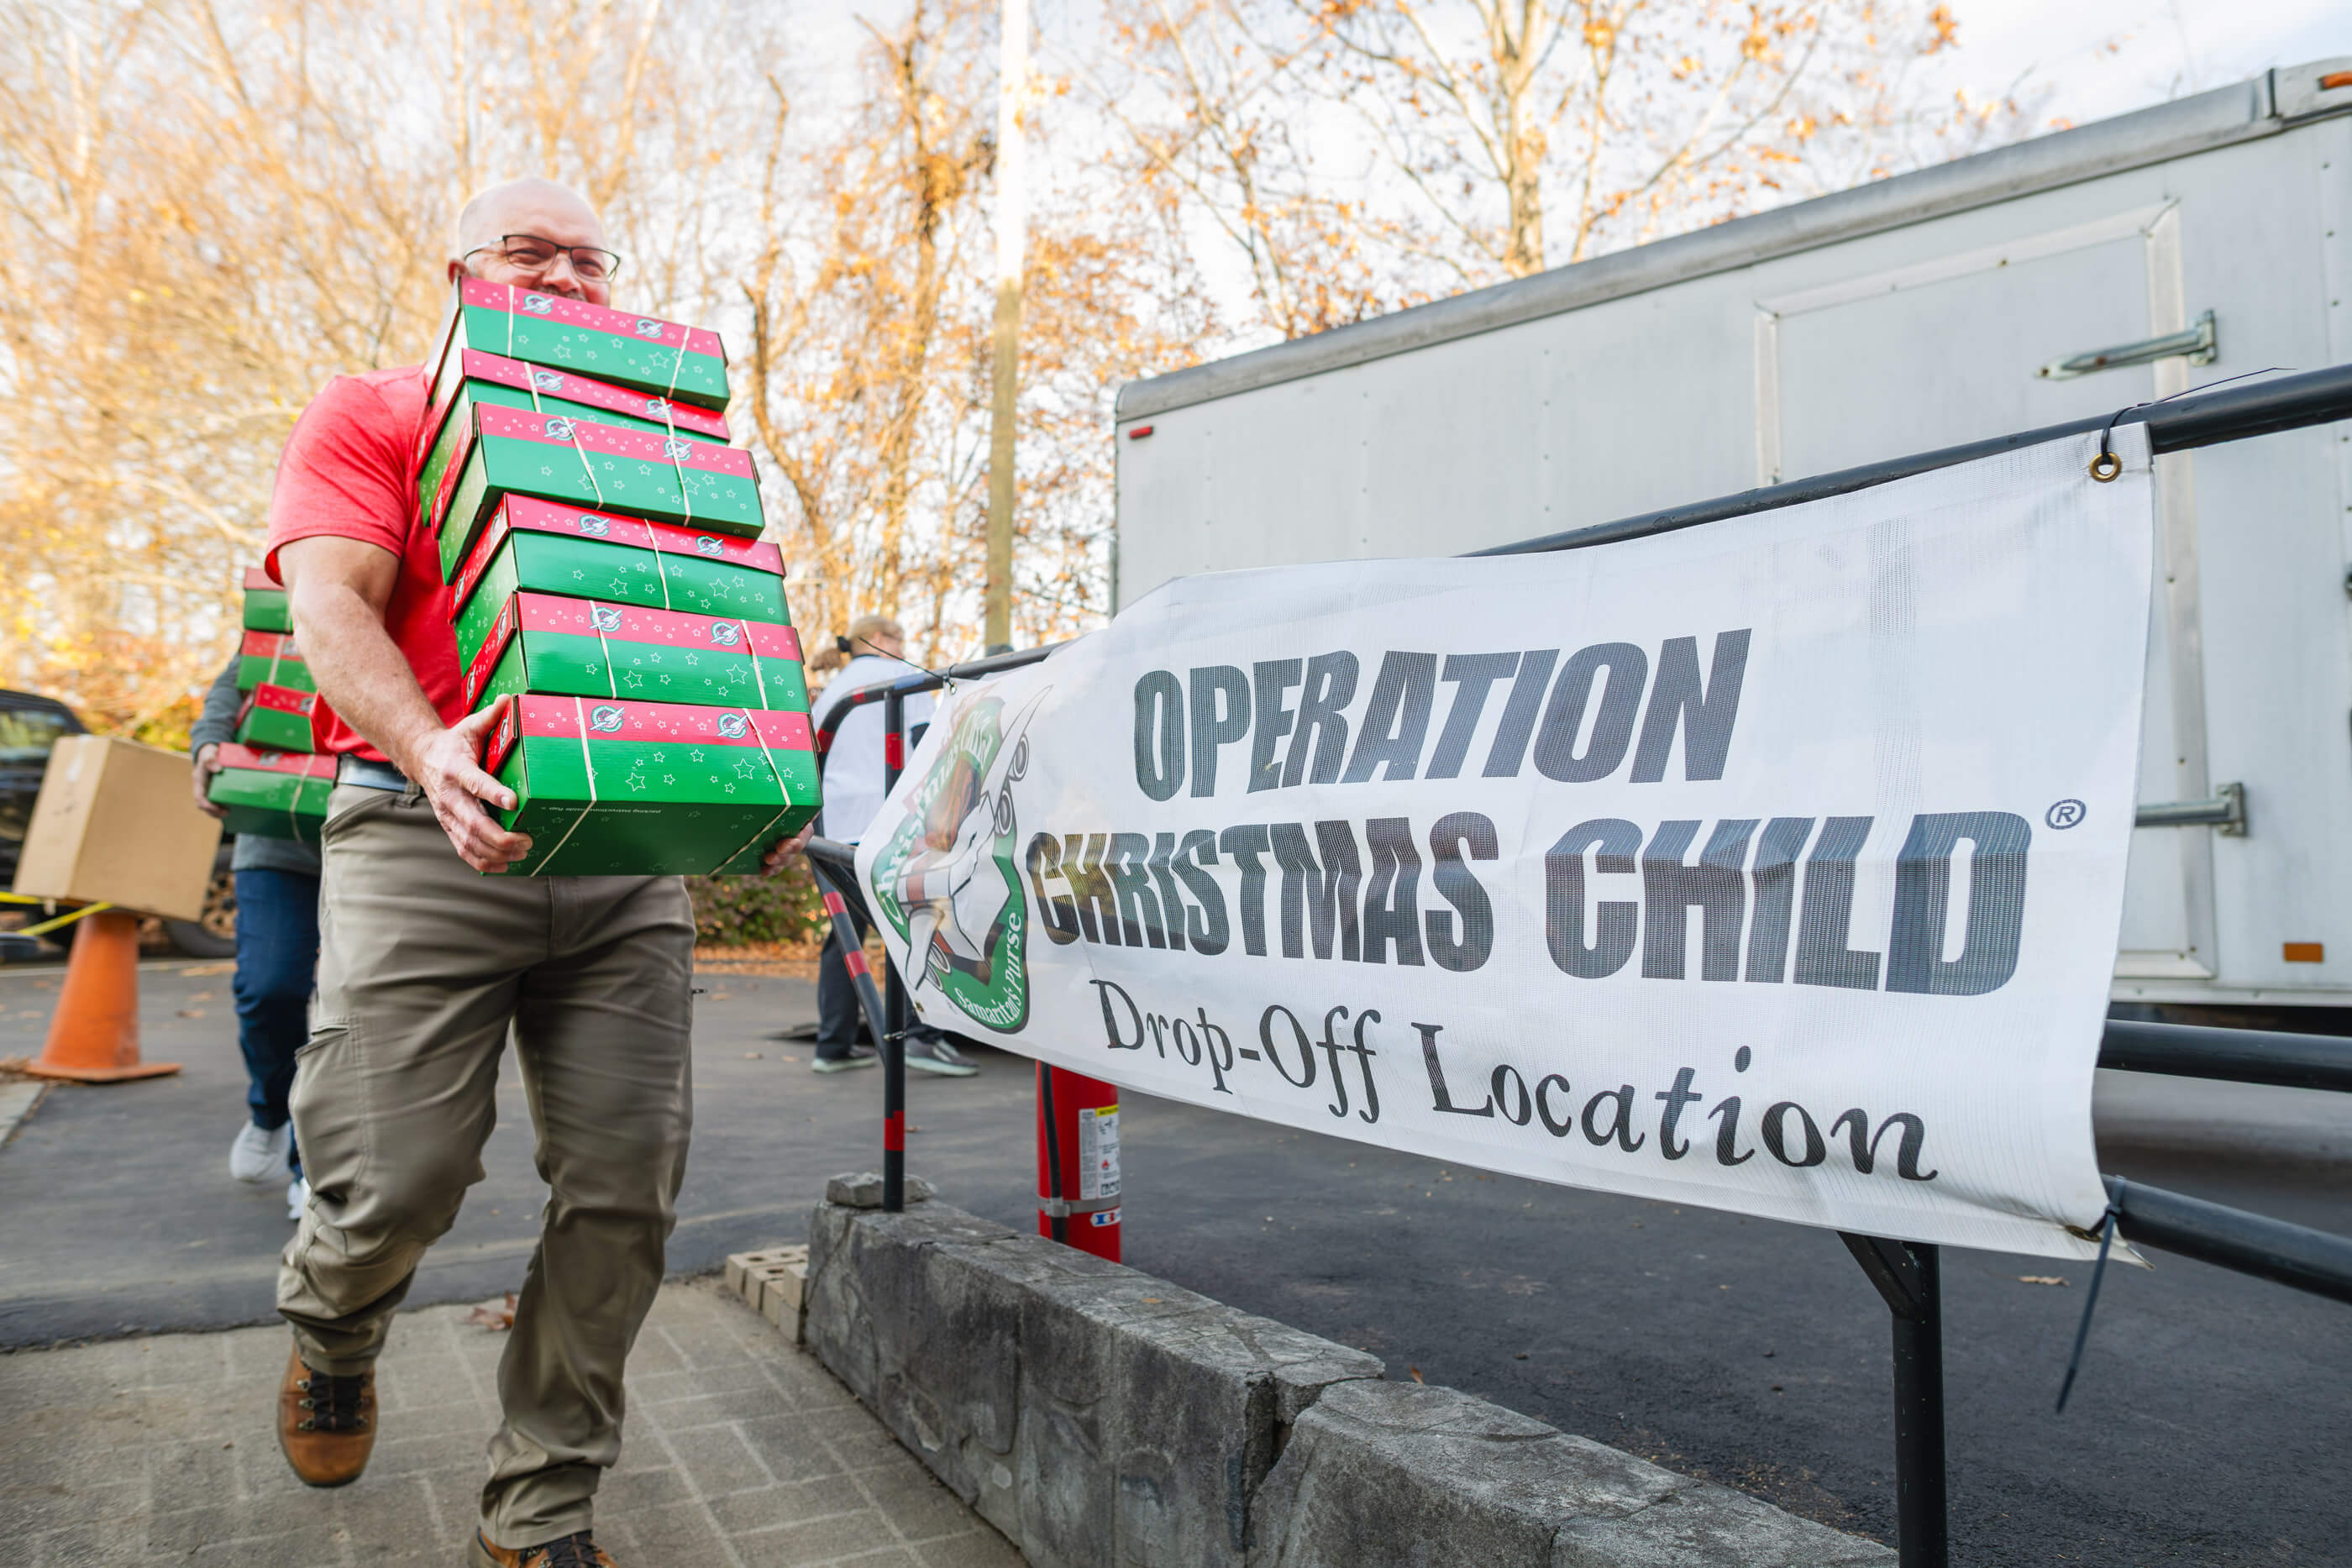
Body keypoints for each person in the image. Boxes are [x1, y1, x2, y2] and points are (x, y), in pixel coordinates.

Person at [261, 176, 810, 1568]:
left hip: (625, 862)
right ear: (458, 275)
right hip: (420, 824)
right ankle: (331, 1327)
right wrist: (431, 744)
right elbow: (329, 599)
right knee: (394, 1180)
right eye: (527, 251)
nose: (566, 277)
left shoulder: (664, 443)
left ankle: (540, 1511)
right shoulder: (376, 411)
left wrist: (760, 774)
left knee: (627, 1187)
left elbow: (718, 630)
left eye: (589, 260)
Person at [806, 615, 976, 1078]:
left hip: (835, 824)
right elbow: (930, 748)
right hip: (888, 823)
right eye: (899, 637)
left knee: (846, 931)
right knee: (914, 923)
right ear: (879, 640)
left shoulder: (833, 690)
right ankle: (920, 1036)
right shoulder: (903, 677)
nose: (905, 644)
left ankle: (833, 1043)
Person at [190, 656, 320, 1222]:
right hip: (273, 842)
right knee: (269, 989)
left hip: (373, 837)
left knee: (357, 1012)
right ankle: (270, 1111)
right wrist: (208, 746)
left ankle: (310, 1165)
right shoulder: (292, 604)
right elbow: (230, 692)